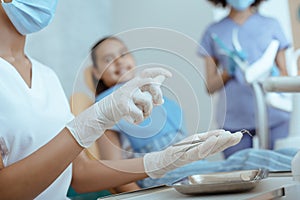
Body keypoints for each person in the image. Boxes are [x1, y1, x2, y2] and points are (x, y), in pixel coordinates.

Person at [0, 0, 243, 199]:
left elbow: (80, 174)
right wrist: (90, 123)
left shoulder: (47, 75)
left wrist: (159, 162)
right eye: (107, 60)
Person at [88, 36, 188, 192]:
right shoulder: (105, 106)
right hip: (160, 175)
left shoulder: (154, 94)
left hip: (190, 162)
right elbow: (112, 169)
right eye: (108, 59)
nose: (119, 61)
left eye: (123, 54)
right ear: (97, 72)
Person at [198, 0, 290, 158]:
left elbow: (285, 76)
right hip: (234, 119)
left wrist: (273, 76)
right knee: (239, 173)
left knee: (280, 169)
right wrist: (229, 71)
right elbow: (210, 87)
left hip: (273, 115)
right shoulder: (213, 31)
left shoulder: (271, 25)